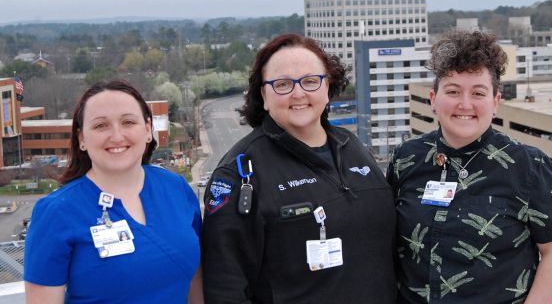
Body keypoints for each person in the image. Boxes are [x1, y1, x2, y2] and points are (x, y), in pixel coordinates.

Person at [201, 34, 397, 303]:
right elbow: (225, 287)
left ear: (327, 87)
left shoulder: (352, 146)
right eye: (282, 84)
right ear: (264, 95)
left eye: (309, 81)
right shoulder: (240, 173)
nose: (298, 93)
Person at [387, 30, 552, 303]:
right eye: (453, 91)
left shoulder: (528, 166)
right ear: (433, 99)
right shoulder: (406, 158)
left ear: (495, 102)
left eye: (478, 93)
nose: (465, 104)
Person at [24, 80, 203, 304]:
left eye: (128, 122)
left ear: (148, 130)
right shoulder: (56, 213)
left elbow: (195, 275)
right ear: (81, 139)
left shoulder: (176, 188)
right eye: (101, 126)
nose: (117, 136)